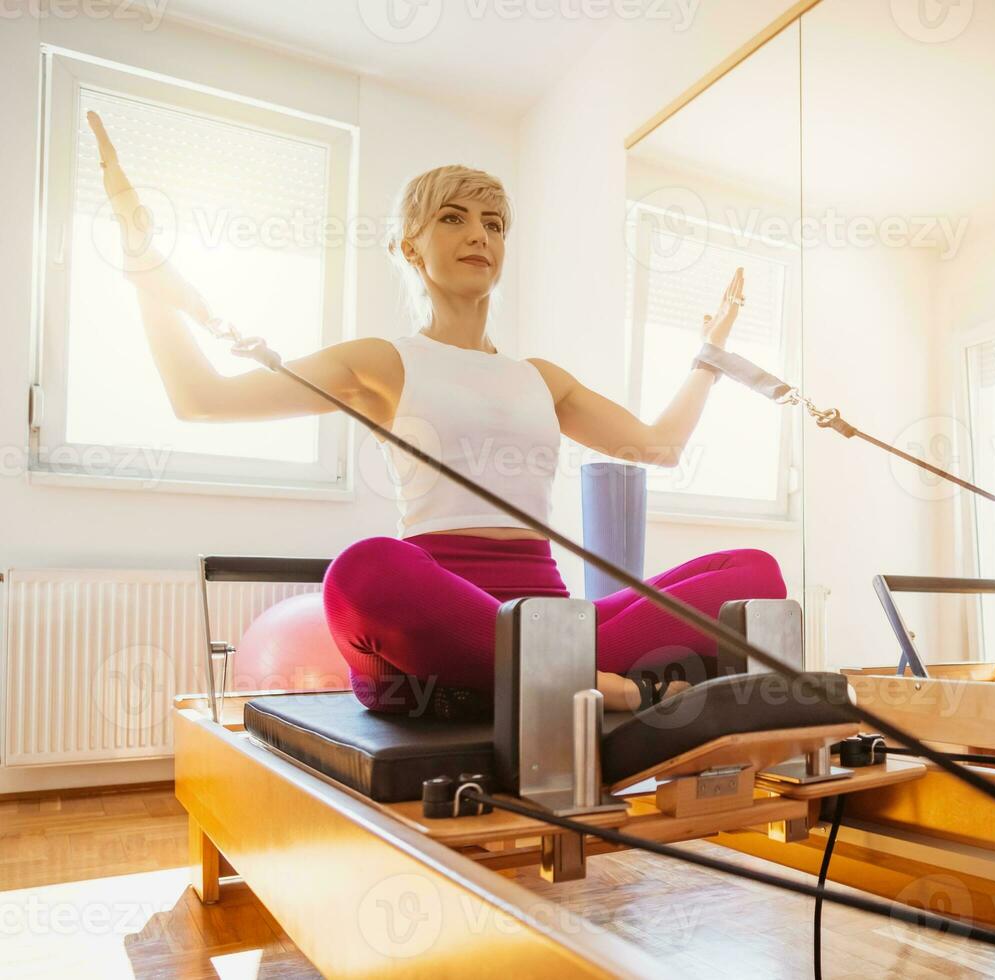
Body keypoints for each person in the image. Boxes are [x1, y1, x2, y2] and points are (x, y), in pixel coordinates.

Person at [89, 111, 785, 716]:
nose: (477, 234)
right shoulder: (383, 361)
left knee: (752, 571)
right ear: (408, 246)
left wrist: (710, 354)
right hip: (434, 629)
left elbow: (659, 446)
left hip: (556, 623)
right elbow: (202, 398)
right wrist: (141, 262)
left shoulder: (540, 378)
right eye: (451, 218)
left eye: (493, 223)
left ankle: (563, 676)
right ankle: (614, 689)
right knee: (361, 572)